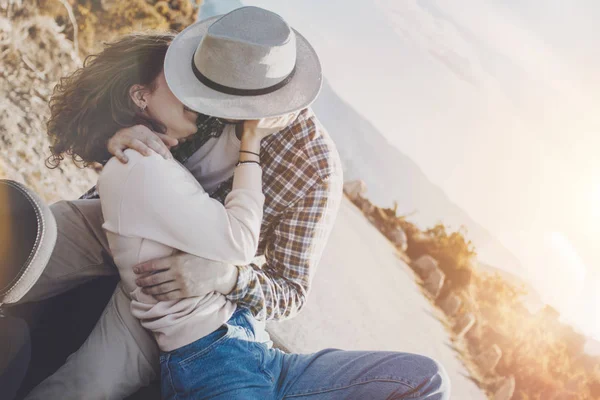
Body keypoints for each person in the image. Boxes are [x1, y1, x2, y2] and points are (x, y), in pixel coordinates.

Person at [9, 6, 449, 399]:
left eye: (231, 98)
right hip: (107, 225)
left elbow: (290, 291)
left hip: (176, 285)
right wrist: (115, 136)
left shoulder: (314, 168)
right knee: (19, 243)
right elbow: (100, 104)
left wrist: (225, 277)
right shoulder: (200, 63)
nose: (209, 103)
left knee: (89, 384)